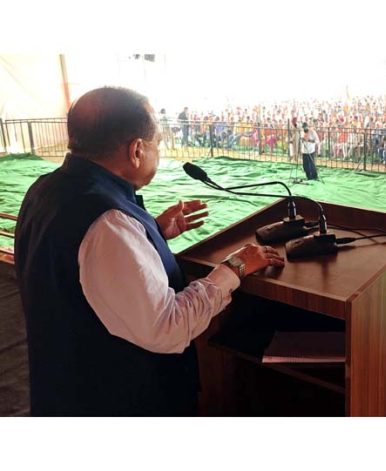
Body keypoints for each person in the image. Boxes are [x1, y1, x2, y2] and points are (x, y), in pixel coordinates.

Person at [14, 87, 285, 416]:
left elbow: (80, 270)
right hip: (120, 401)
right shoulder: (109, 224)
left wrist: (151, 232)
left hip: (66, 386)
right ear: (137, 150)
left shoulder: (45, 189)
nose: (159, 150)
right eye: (157, 142)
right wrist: (235, 267)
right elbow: (167, 328)